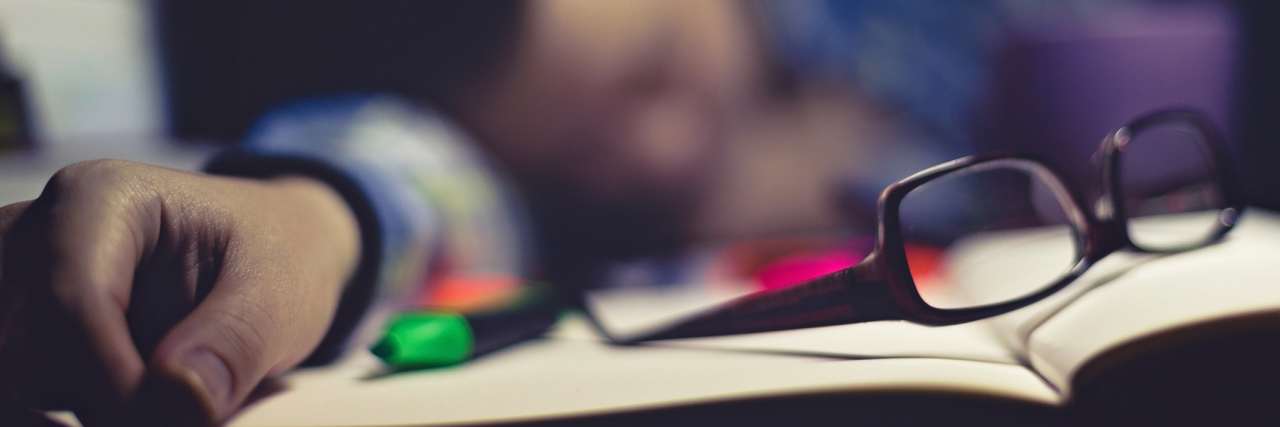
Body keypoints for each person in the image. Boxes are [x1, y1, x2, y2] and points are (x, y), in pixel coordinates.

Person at [0, 0, 1001, 424]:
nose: (660, 161)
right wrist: (310, 217)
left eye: (647, 82)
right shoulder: (517, 195)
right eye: (576, 162)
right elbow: (415, 176)